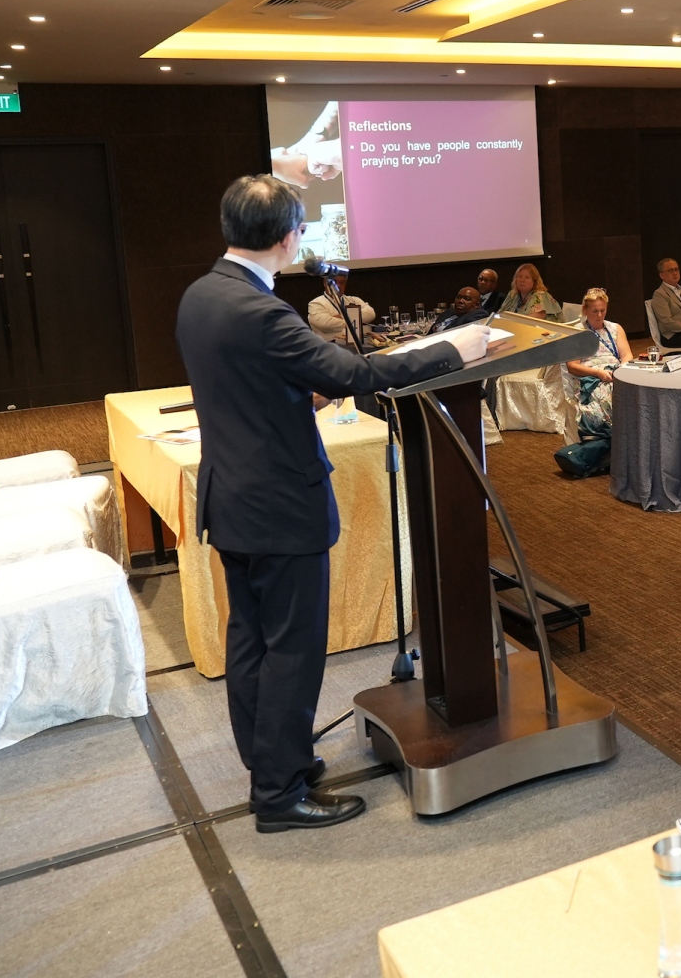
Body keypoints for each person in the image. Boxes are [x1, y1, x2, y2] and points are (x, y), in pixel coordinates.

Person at [176, 175, 485, 832]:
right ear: (287, 237)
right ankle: (279, 795)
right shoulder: (263, 312)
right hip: (279, 506)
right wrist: (451, 349)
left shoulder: (202, 294)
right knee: (291, 651)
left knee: (251, 643)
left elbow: (247, 386)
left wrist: (296, 395)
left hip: (232, 500)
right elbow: (357, 374)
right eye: (301, 228)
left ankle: (273, 764)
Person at [562, 289, 633, 461]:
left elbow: (627, 356)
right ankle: (616, 441)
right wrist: (598, 373)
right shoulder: (577, 333)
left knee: (635, 391)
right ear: (585, 310)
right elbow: (572, 367)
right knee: (613, 395)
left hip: (615, 373)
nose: (599, 315)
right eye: (594, 311)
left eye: (603, 310)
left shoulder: (615, 328)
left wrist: (621, 370)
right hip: (591, 378)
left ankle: (632, 438)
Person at [306, 276, 373, 346]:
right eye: (334, 282)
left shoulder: (354, 300)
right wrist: (356, 322)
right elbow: (325, 324)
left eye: (342, 282)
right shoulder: (316, 303)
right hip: (327, 347)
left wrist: (341, 316)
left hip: (355, 346)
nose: (338, 286)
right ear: (325, 283)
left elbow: (371, 314)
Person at [651, 257, 681, 348]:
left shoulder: (680, 291)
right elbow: (667, 321)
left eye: (676, 269)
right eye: (670, 270)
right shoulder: (660, 294)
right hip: (674, 336)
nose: (675, 273)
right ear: (662, 275)